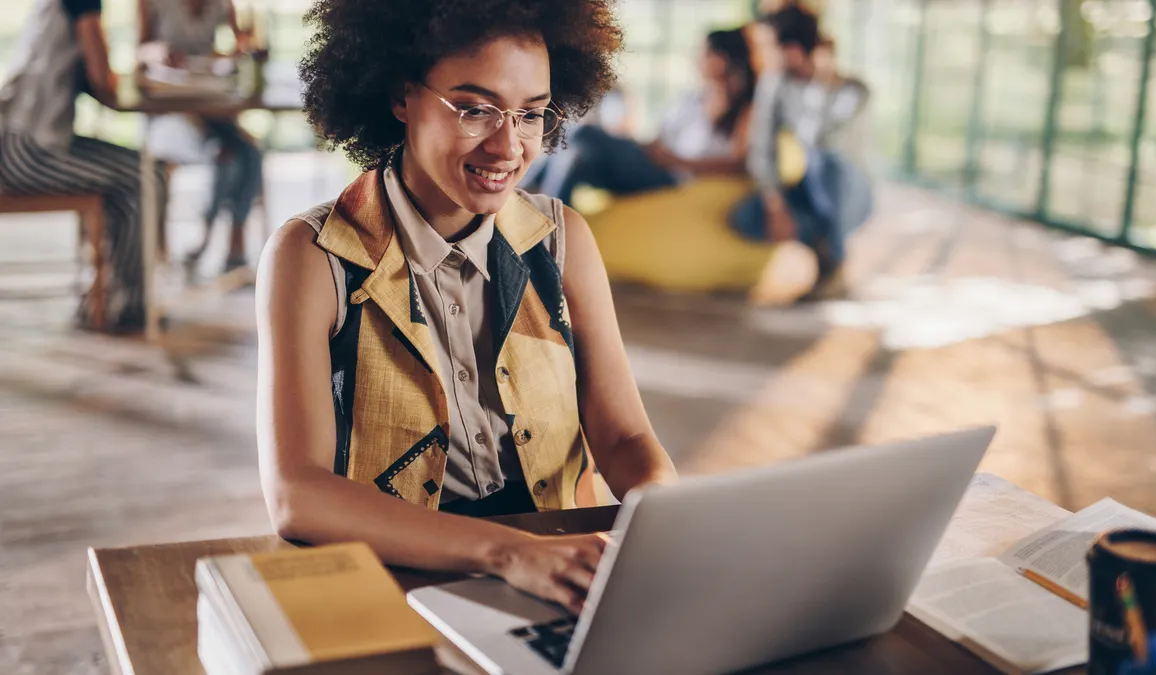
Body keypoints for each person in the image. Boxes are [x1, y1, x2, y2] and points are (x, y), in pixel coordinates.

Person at [256, 0, 678, 614]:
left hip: (562, 570)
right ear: (402, 98)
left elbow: (625, 434)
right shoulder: (313, 256)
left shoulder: (562, 241)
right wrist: (508, 552)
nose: (509, 146)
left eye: (531, 114)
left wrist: (663, 526)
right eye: (475, 109)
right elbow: (298, 494)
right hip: (395, 574)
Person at [0, 0, 167, 333]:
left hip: (20, 141)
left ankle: (105, 297)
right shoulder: (82, 2)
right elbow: (102, 78)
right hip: (28, 152)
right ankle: (126, 307)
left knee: (138, 173)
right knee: (147, 177)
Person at [526, 27, 758, 207]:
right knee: (573, 158)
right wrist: (633, 145)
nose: (697, 58)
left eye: (705, 53)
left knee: (582, 132)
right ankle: (541, 231)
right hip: (651, 161)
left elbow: (739, 164)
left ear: (723, 59)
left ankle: (524, 190)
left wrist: (677, 161)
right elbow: (659, 141)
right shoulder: (692, 99)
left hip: (670, 176)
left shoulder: (745, 109)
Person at [732, 6, 873, 298]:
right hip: (810, 192)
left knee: (827, 161)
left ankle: (833, 261)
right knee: (747, 217)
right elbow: (762, 147)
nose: (760, 56)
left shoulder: (854, 92)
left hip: (848, 195)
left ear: (793, 50)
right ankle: (827, 252)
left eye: (767, 47)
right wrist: (775, 204)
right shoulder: (775, 84)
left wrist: (818, 85)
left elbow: (822, 139)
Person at [138, 0, 264, 272]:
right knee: (224, 156)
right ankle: (204, 240)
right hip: (167, 114)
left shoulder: (222, 4)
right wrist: (159, 52)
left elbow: (243, 43)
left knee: (252, 154)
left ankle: (236, 244)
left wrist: (232, 54)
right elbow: (139, 51)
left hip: (210, 111)